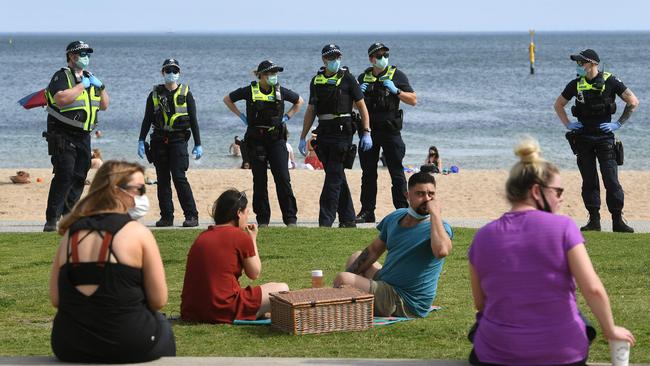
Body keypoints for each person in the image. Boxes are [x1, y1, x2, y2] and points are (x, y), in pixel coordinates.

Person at [467, 138, 635, 365]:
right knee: (578, 318)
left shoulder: (482, 236)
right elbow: (592, 289)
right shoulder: (563, 228)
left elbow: (481, 303)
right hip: (562, 353)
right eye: (558, 191)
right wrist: (610, 330)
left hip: (497, 355)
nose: (562, 197)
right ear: (537, 191)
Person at [49, 161, 175, 363]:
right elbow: (159, 300)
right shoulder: (138, 233)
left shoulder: (70, 234)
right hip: (128, 341)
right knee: (162, 324)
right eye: (139, 189)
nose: (143, 195)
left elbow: (56, 299)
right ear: (116, 191)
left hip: (70, 343)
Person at [334, 172, 453, 317]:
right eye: (420, 194)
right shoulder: (396, 217)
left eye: (431, 194)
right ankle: (353, 299)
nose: (427, 199)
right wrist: (351, 277)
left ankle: (352, 301)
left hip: (406, 300)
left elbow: (442, 251)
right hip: (387, 283)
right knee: (356, 257)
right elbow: (373, 250)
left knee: (343, 279)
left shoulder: (439, 227)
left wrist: (435, 214)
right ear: (408, 196)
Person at [554, 48, 639, 233]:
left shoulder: (611, 81)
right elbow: (558, 104)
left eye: (581, 63)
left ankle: (618, 220)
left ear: (592, 63)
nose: (578, 66)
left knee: (611, 180)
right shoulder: (575, 84)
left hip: (605, 139)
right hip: (583, 139)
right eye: (577, 63)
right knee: (589, 181)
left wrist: (618, 124)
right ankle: (594, 221)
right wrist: (568, 124)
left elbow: (633, 101)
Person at [180, 189, 289, 323]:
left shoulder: (202, 236)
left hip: (193, 310)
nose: (247, 217)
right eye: (246, 213)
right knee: (282, 288)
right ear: (238, 213)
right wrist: (252, 239)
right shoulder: (239, 236)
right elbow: (254, 273)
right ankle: (257, 312)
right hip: (224, 308)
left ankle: (261, 312)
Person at [299, 44, 373, 228]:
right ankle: (348, 220)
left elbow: (362, 107)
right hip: (324, 133)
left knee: (332, 177)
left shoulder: (348, 79)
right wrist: (303, 136)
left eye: (338, 57)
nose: (336, 61)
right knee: (337, 174)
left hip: (343, 133)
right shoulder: (316, 81)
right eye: (332, 58)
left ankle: (325, 221)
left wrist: (366, 132)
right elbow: (311, 110)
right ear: (324, 60)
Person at [223, 60, 303, 227]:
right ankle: (263, 220)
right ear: (261, 75)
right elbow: (228, 99)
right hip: (256, 140)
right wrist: (241, 116)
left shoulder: (280, 91)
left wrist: (287, 117)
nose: (274, 76)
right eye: (270, 73)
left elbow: (299, 101)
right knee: (259, 180)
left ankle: (290, 219)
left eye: (275, 73)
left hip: (276, 140)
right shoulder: (249, 90)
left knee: (282, 178)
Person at [43, 41, 109, 232]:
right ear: (72, 56)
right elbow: (61, 99)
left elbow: (104, 105)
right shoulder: (61, 76)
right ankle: (52, 218)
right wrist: (82, 86)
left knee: (80, 174)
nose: (86, 57)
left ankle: (69, 214)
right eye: (82, 53)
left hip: (83, 135)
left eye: (88, 53)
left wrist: (101, 86)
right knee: (64, 174)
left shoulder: (90, 77)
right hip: (62, 133)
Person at [355, 43, 417, 224]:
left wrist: (396, 91)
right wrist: (358, 94)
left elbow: (413, 100)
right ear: (371, 59)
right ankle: (367, 211)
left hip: (391, 131)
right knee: (368, 173)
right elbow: (353, 105)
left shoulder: (397, 75)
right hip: (369, 131)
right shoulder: (362, 77)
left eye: (386, 54)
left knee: (396, 172)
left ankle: (402, 211)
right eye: (379, 55)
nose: (383, 58)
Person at [138, 58, 201, 227]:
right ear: (162, 73)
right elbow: (147, 119)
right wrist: (141, 140)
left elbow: (194, 120)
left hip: (178, 140)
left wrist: (198, 143)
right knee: (163, 179)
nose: (171, 74)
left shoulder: (186, 93)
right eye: (168, 71)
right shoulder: (154, 95)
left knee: (179, 177)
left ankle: (191, 216)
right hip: (159, 140)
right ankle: (166, 216)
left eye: (174, 71)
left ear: (179, 73)